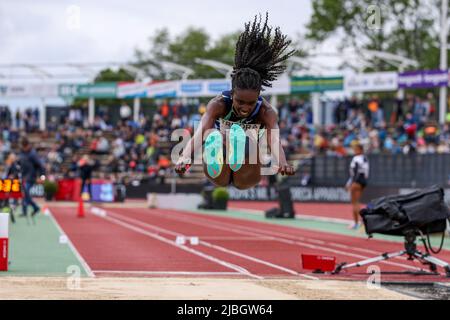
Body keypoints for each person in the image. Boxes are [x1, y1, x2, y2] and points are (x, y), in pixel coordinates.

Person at [175, 13, 296, 189]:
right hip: (220, 156)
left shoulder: (266, 112)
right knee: (212, 139)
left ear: (259, 96)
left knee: (244, 171)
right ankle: (222, 149)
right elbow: (200, 132)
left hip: (248, 159)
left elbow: (274, 140)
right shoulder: (218, 104)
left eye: (251, 103)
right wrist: (184, 158)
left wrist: (283, 162)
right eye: (240, 102)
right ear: (232, 94)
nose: (245, 108)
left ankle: (238, 151)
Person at [18, 138, 45, 217]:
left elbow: (40, 166)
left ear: (28, 145)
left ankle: (28, 210)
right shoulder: (22, 153)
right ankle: (33, 208)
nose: (24, 148)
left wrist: (42, 177)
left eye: (25, 146)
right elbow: (20, 164)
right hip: (23, 176)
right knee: (24, 194)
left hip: (30, 177)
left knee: (25, 193)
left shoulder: (33, 154)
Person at [346, 143, 369, 230]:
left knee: (354, 203)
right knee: (357, 202)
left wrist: (350, 183)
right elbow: (365, 173)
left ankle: (356, 223)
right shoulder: (365, 158)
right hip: (363, 181)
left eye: (356, 149)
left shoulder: (356, 158)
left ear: (360, 150)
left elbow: (354, 172)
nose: (354, 151)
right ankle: (361, 221)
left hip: (357, 181)